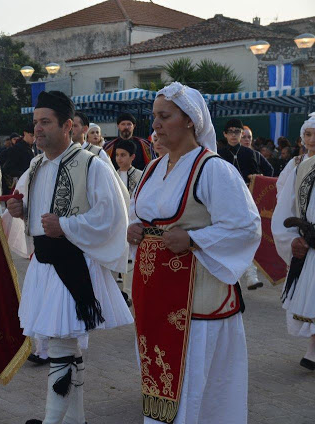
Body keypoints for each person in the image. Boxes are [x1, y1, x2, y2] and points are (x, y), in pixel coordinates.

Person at [128, 82, 260, 424]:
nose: (155, 124)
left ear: (190, 120)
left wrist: (194, 239)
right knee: (161, 376)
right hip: (155, 297)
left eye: (164, 116)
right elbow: (140, 214)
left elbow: (246, 227)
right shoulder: (154, 169)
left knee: (197, 386)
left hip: (197, 303)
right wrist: (134, 230)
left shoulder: (214, 169)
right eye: (154, 116)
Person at [5, 91, 133, 424]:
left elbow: (112, 216)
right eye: (36, 123)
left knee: (61, 348)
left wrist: (66, 225)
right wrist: (19, 210)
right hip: (44, 265)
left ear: (68, 126)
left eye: (46, 122)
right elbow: (33, 216)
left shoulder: (91, 163)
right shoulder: (34, 166)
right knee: (66, 349)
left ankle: (52, 420)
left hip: (74, 265)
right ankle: (75, 420)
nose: (39, 129)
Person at [271, 112, 315, 371]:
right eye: (309, 134)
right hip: (309, 241)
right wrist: (291, 239)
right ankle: (312, 349)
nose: (313, 140)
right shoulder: (299, 165)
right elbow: (285, 203)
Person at [218, 119, 272, 290]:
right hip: (225, 203)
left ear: (241, 134)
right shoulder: (217, 155)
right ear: (225, 134)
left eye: (237, 131)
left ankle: (251, 275)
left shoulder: (252, 154)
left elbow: (269, 172)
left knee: (250, 235)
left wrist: (257, 179)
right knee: (228, 238)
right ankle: (232, 277)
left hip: (249, 202)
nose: (234, 135)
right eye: (231, 131)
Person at [1, 122, 35, 194]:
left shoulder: (36, 146)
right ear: (25, 133)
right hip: (21, 185)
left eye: (36, 136)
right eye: (31, 136)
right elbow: (7, 168)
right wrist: (25, 174)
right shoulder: (17, 148)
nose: (34, 138)